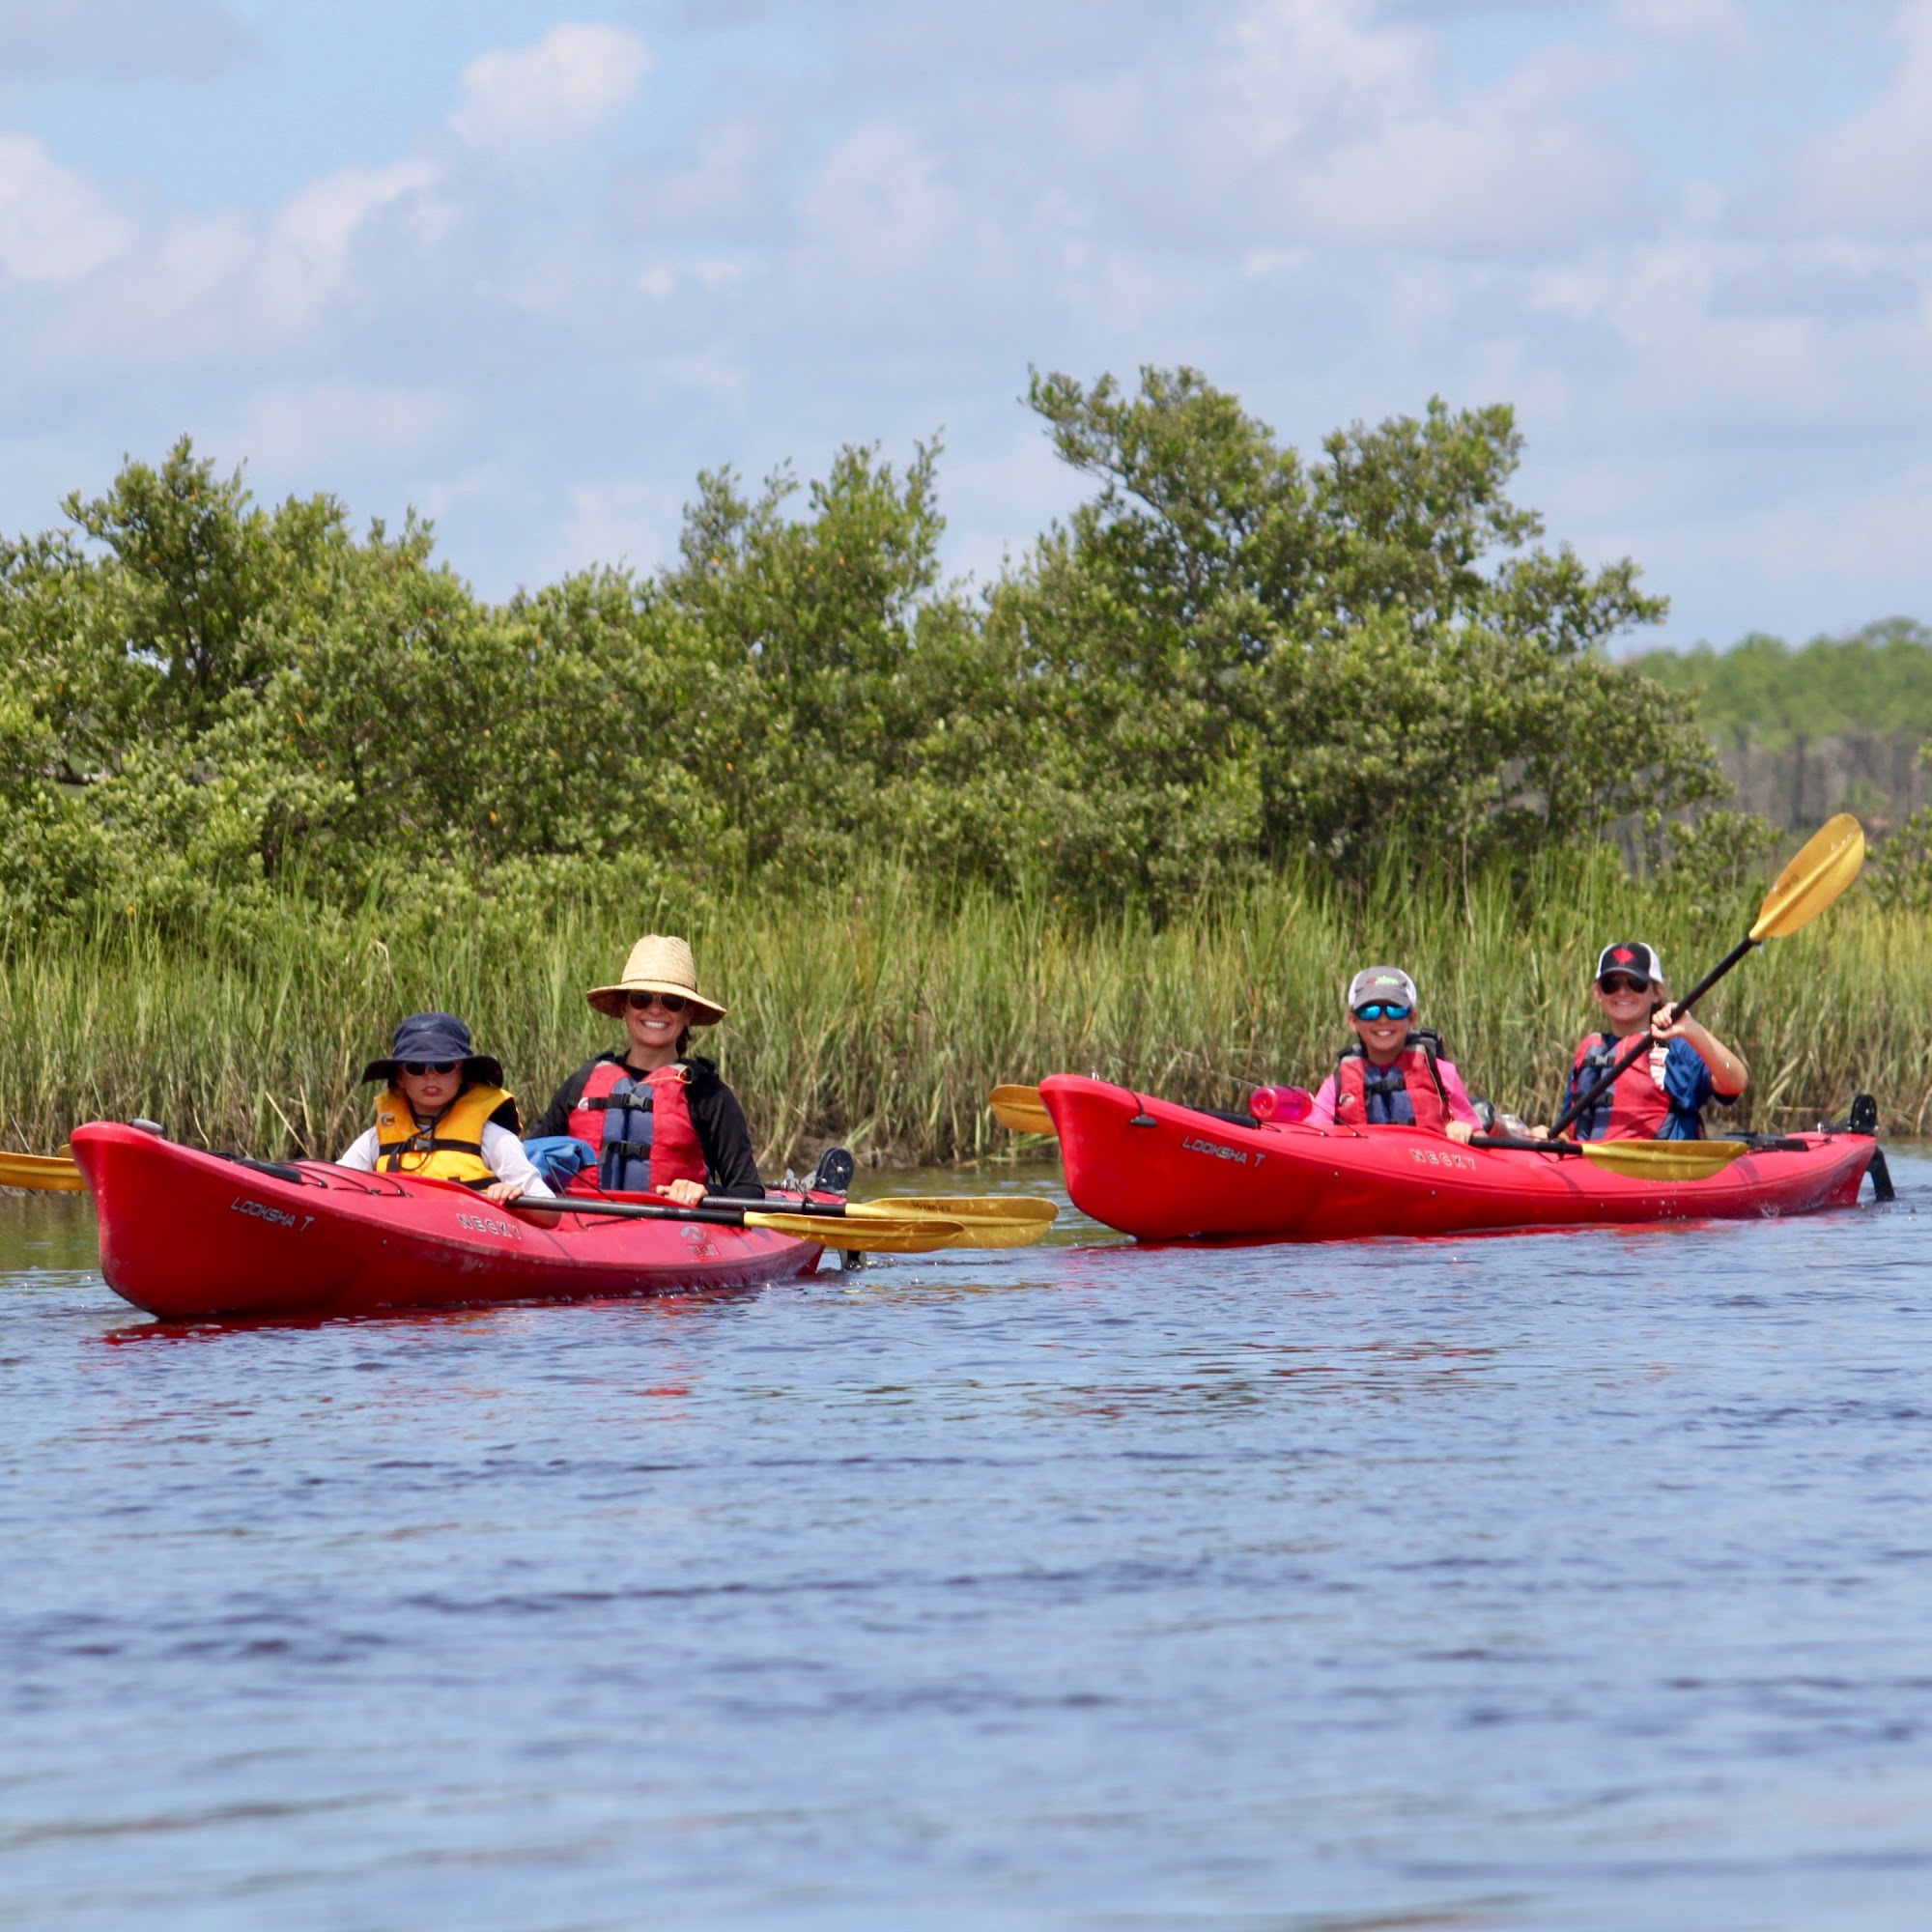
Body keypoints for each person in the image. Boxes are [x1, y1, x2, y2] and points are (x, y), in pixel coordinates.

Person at [522, 934, 760, 1206]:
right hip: (578, 1229)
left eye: (671, 1001)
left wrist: (706, 1193)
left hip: (672, 1235)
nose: (655, 1010)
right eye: (641, 998)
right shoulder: (581, 1084)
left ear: (688, 1014)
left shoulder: (709, 1095)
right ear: (624, 1006)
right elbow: (523, 1162)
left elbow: (749, 1190)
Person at [337, 1011, 553, 1206]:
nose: (431, 1076)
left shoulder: (493, 1138)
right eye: (416, 1067)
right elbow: (335, 1183)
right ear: (400, 1078)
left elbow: (548, 1209)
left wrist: (512, 1193)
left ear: (462, 1074)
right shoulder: (376, 1139)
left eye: (444, 1066)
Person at [1557, 941, 1747, 1142]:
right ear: (1598, 993)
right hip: (1589, 1168)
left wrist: (1694, 1030)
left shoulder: (1672, 1046)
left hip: (1660, 1169)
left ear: (1656, 992)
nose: (1622, 992)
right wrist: (1550, 1137)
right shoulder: (1591, 1052)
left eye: (1636, 984)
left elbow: (1736, 1083)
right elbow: (1568, 1132)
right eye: (1611, 984)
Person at [1304, 966, 1485, 1144]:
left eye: (1395, 1010)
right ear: (1353, 1021)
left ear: (1412, 1019)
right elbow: (1313, 1134)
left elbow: (1480, 1136)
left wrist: (1463, 1129)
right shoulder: (1335, 1084)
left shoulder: (1442, 1073)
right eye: (1370, 1011)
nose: (1383, 1019)